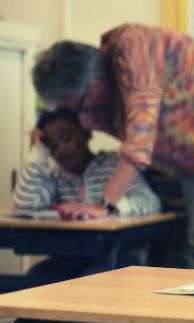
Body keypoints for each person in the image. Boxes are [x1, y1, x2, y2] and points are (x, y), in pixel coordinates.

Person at [32, 23, 194, 269]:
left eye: (77, 106)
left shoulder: (132, 46)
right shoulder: (92, 101)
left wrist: (102, 206)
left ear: (94, 83)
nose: (80, 117)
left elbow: (139, 141)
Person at [13, 107, 161, 282]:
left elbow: (151, 202)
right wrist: (37, 154)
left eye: (66, 137)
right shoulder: (56, 176)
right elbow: (25, 204)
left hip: (120, 255)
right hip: (73, 255)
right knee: (35, 278)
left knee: (91, 279)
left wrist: (110, 209)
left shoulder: (115, 168)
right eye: (52, 146)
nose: (61, 150)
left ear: (86, 133)